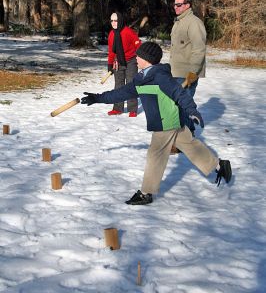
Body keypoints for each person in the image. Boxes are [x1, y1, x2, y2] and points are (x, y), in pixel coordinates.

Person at [81, 42, 232, 205]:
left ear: (146, 59)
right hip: (171, 121)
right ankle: (219, 165)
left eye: (138, 56)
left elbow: (179, 93)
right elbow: (121, 93)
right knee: (190, 145)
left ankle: (146, 193)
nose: (136, 58)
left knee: (155, 155)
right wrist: (98, 98)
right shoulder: (141, 79)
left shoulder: (161, 77)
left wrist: (192, 111)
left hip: (165, 122)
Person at [170, 0, 206, 135]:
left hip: (187, 74)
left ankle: (186, 139)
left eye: (179, 5)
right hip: (176, 72)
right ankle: (186, 137)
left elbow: (199, 50)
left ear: (187, 5)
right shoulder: (179, 22)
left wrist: (192, 73)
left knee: (183, 106)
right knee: (179, 106)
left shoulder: (194, 23)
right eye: (174, 4)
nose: (176, 7)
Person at [107, 11, 141, 117]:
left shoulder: (128, 32)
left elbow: (138, 45)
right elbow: (111, 51)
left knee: (130, 84)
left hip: (131, 61)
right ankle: (118, 108)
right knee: (118, 85)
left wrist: (140, 59)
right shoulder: (111, 34)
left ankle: (132, 109)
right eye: (112, 20)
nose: (113, 22)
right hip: (118, 62)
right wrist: (109, 64)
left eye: (116, 20)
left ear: (120, 21)